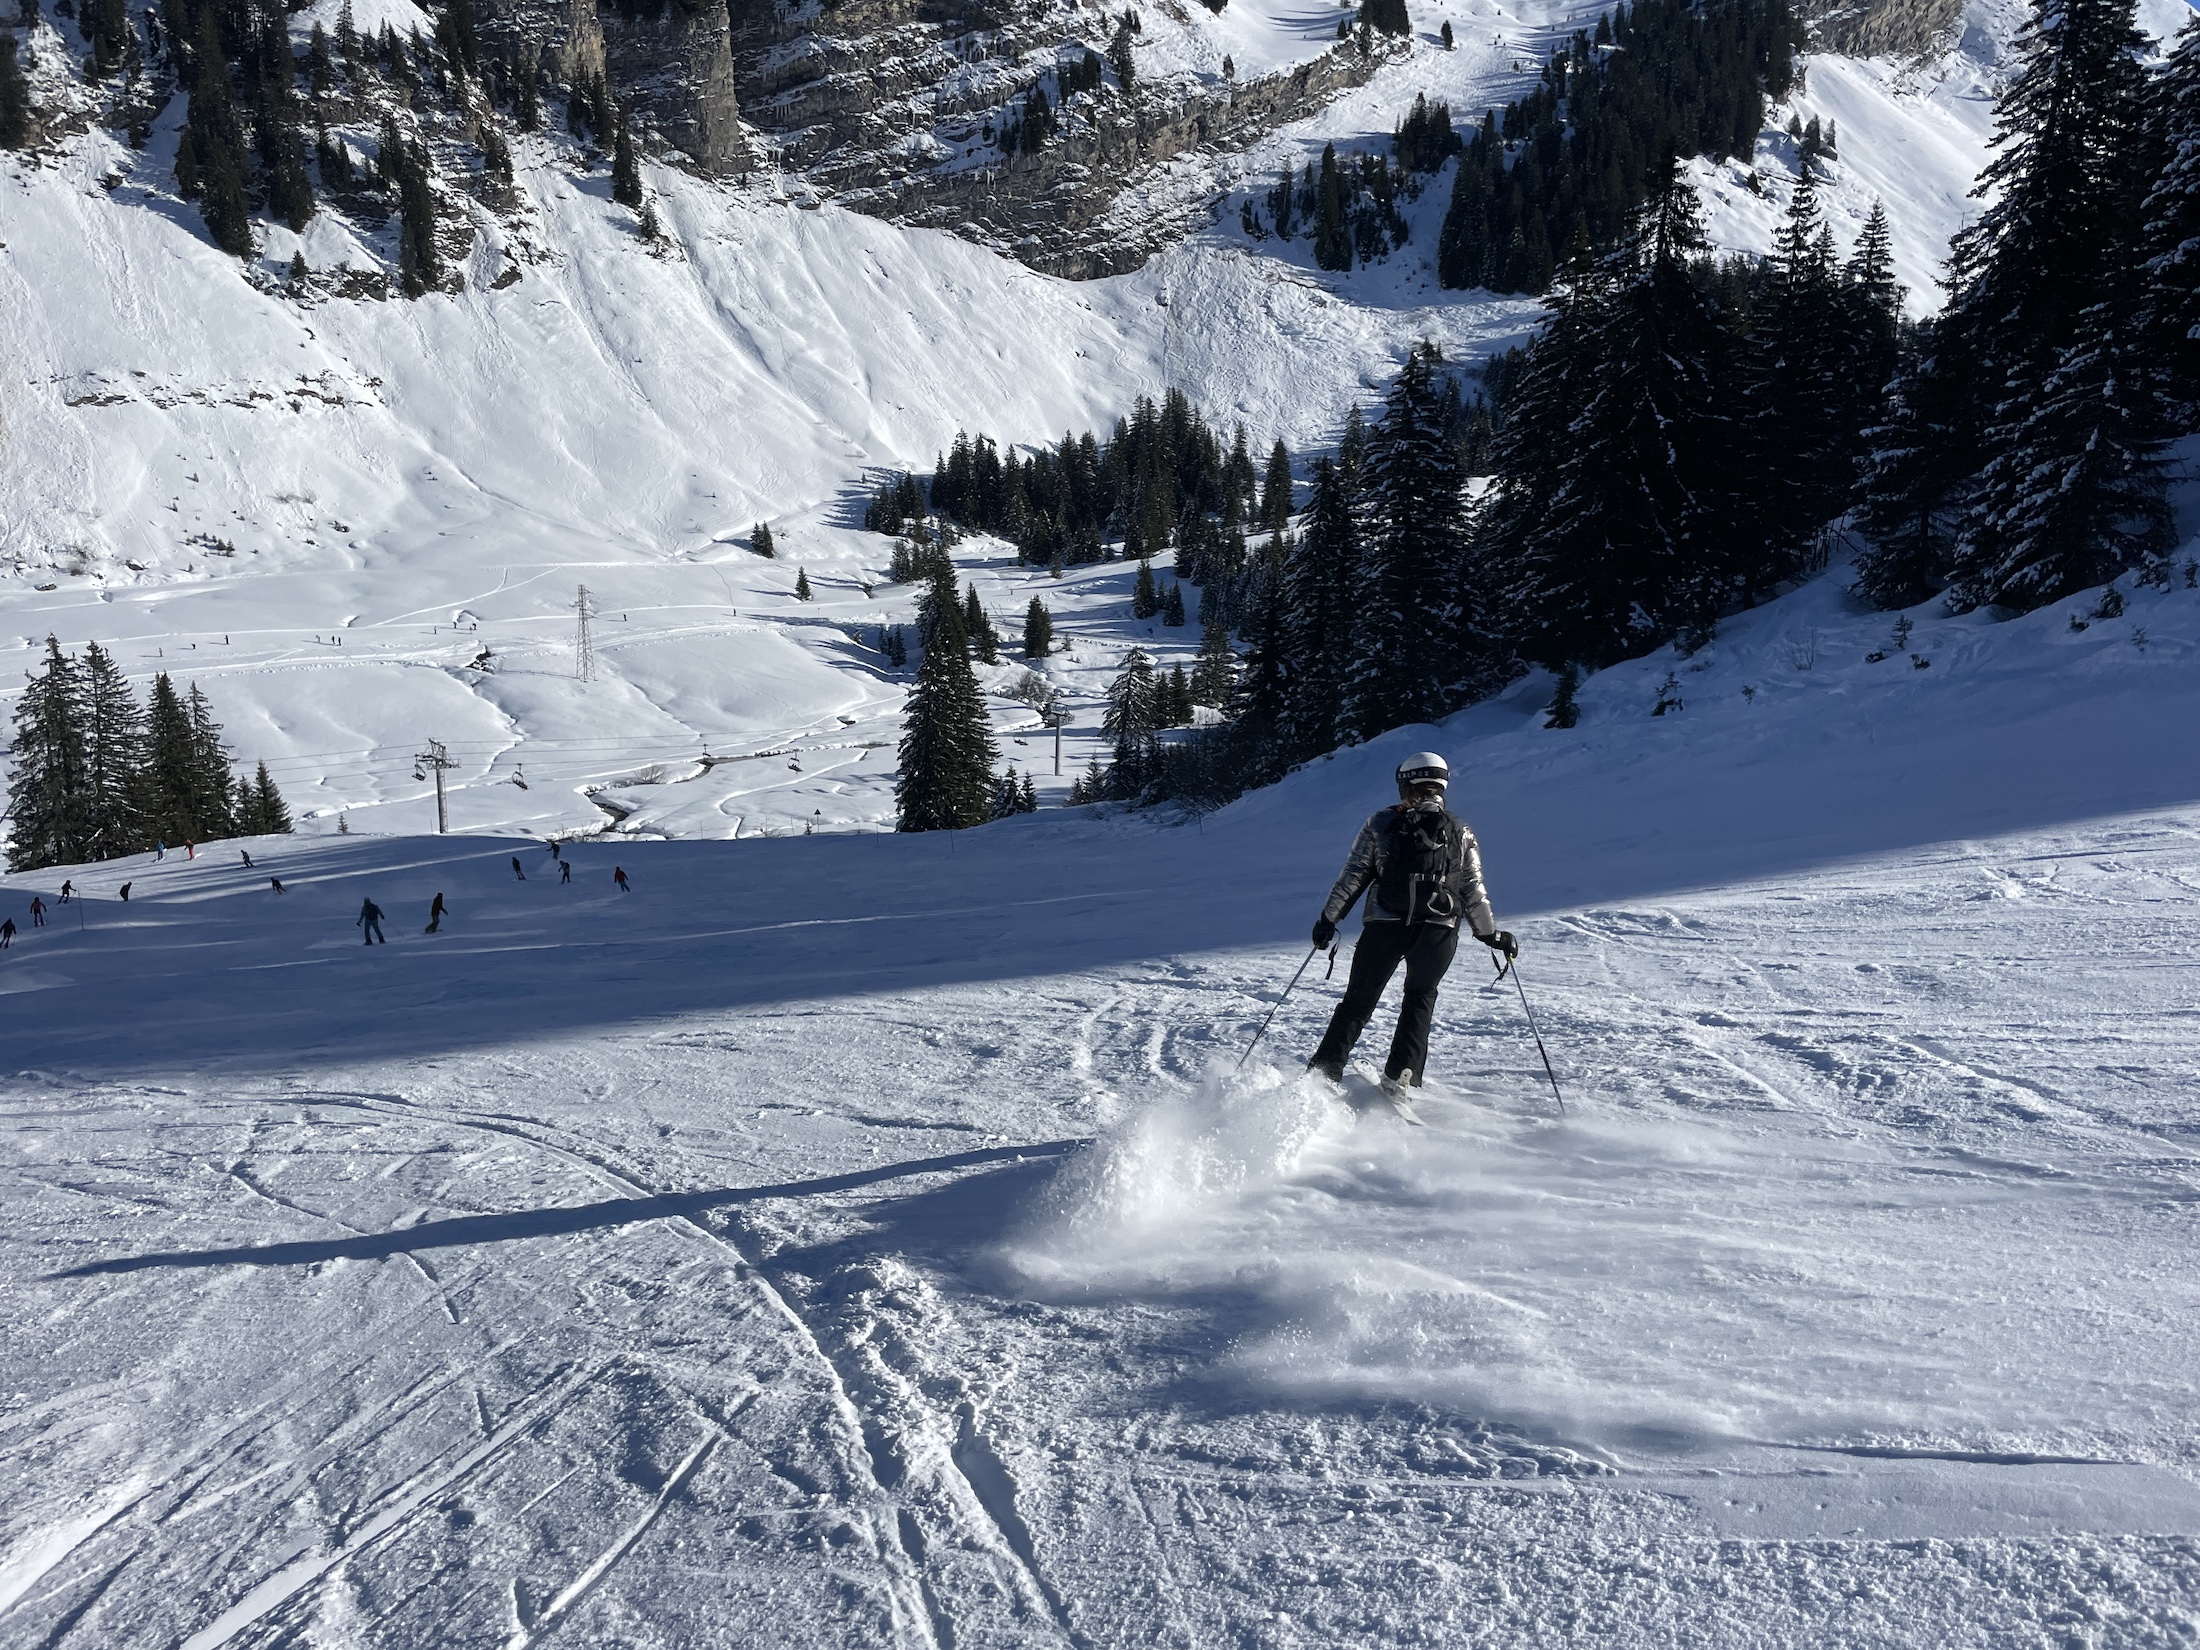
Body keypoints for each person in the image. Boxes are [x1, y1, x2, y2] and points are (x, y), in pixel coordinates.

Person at [1305, 753, 1517, 1094]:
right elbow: (1472, 887)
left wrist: (1328, 920)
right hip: (1438, 929)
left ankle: (1325, 1071)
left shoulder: (1381, 822)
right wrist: (1491, 935)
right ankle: (1402, 1075)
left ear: (1405, 784)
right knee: (1420, 997)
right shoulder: (1459, 829)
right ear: (1442, 785)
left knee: (1359, 1000)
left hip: (1385, 924)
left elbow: (1354, 875)